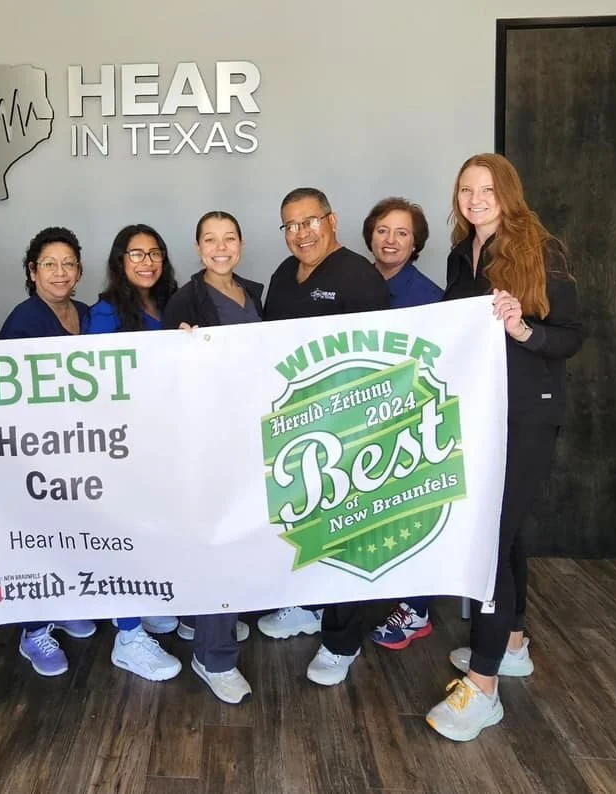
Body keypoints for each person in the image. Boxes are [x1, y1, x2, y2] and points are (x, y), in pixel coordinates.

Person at [425, 153, 582, 741]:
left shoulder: (540, 250)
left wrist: (523, 329)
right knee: (505, 532)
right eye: (465, 189)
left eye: (486, 189)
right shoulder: (460, 253)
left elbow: (570, 336)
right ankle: (512, 643)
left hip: (527, 417)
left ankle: (484, 686)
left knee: (489, 538)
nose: (474, 198)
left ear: (507, 193)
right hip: (480, 413)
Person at [260, 187, 390, 686]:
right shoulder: (282, 275)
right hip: (296, 427)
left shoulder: (358, 276)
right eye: (290, 225)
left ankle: (342, 641)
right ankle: (309, 607)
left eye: (309, 222)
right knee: (304, 521)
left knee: (347, 532)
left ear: (331, 221)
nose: (300, 233)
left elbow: (376, 360)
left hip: (347, 428)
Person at [161, 210, 261, 703]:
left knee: (239, 539)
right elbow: (169, 377)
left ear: (240, 244)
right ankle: (213, 657)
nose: (221, 248)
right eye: (210, 240)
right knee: (216, 541)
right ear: (198, 248)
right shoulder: (185, 300)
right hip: (207, 441)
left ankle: (213, 620)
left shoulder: (257, 292)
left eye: (229, 238)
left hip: (254, 437)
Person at [85, 223, 183, 681]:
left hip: (169, 438)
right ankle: (127, 635)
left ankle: (147, 605)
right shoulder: (106, 313)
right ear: (120, 262)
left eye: (154, 252)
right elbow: (103, 384)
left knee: (157, 529)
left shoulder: (172, 304)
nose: (147, 261)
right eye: (136, 254)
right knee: (123, 532)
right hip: (124, 443)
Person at [0, 227, 97, 676]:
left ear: (79, 271)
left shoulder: (87, 313)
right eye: (50, 264)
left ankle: (64, 602)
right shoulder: (24, 320)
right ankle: (33, 630)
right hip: (40, 451)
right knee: (40, 536)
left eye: (68, 264)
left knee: (75, 530)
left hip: (85, 444)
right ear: (31, 271)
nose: (60, 273)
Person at [362, 197, 443, 650]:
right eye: (383, 230)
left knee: (412, 511)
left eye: (402, 233)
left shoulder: (430, 296)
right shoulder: (352, 281)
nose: (390, 240)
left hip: (408, 419)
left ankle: (416, 609)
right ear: (370, 234)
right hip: (357, 416)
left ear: (416, 244)